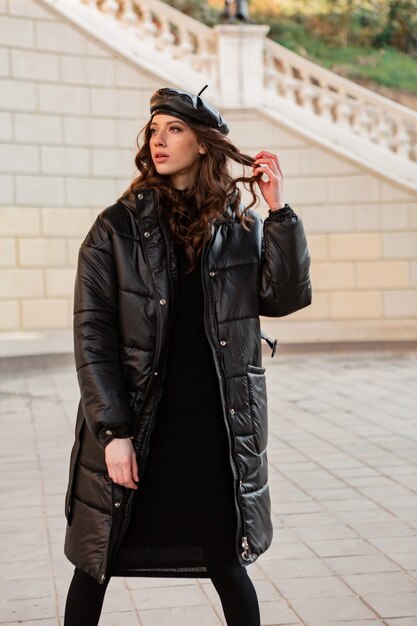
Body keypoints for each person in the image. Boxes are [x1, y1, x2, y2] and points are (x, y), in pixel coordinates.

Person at [63, 86, 312, 626]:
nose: (159, 140)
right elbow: (93, 338)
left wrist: (279, 212)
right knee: (95, 563)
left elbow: (284, 298)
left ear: (204, 144)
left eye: (174, 129)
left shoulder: (238, 227)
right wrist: (114, 433)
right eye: (154, 130)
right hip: (140, 423)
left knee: (226, 561)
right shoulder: (116, 229)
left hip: (212, 427)